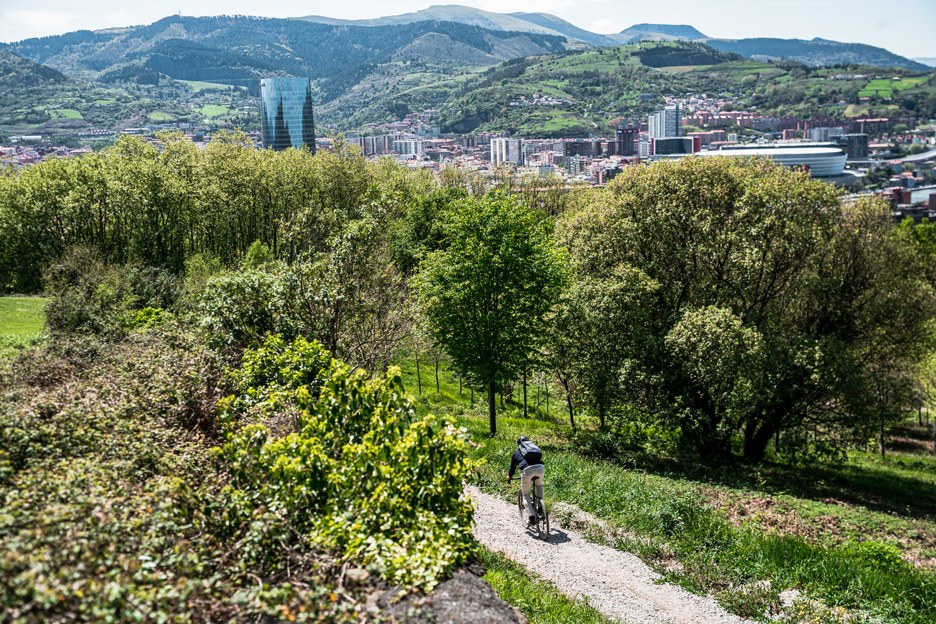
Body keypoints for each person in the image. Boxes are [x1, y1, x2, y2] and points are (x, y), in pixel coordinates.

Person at [508, 436, 545, 526]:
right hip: (540, 468)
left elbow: (512, 468)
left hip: (527, 470)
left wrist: (509, 476)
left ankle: (531, 517)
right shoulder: (533, 449)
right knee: (539, 486)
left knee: (525, 494)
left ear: (519, 444)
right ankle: (541, 507)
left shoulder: (517, 452)